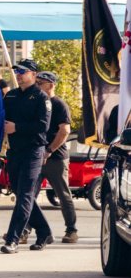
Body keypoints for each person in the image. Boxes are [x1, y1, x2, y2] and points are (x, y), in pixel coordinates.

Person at [1, 59, 53, 254]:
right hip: (14, 152)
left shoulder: (41, 98)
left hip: (33, 151)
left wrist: (17, 128)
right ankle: (44, 231)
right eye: (17, 71)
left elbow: (42, 127)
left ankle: (13, 238)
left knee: (24, 196)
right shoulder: (11, 96)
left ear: (33, 74)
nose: (19, 74)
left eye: (23, 71)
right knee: (22, 193)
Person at [36, 71, 78, 243]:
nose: (37, 85)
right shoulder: (38, 103)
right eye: (36, 82)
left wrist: (49, 150)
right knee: (28, 195)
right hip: (37, 156)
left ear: (51, 85)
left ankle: (71, 230)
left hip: (55, 157)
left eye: (41, 83)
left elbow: (64, 131)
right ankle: (24, 229)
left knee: (63, 194)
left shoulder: (59, 104)